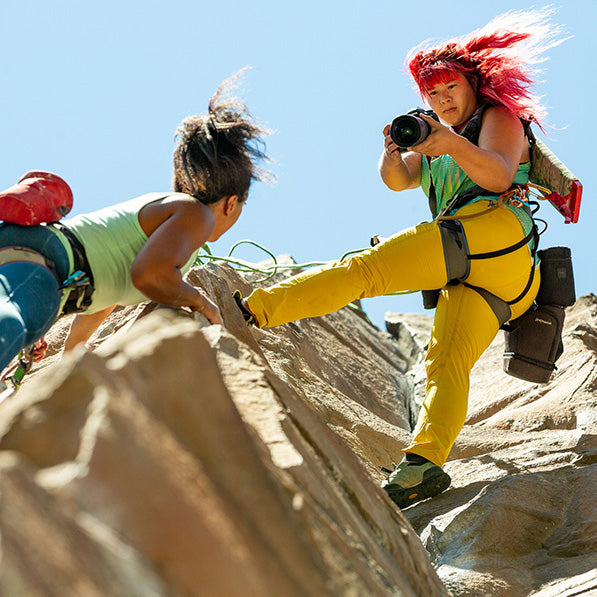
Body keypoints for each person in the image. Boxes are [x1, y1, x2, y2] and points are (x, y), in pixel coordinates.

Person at [234, 9, 563, 508]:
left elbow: (497, 175)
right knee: (445, 364)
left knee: (363, 271)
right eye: (430, 94)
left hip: (494, 237)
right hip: (491, 279)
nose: (440, 100)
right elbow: (398, 180)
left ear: (472, 83)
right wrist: (393, 151)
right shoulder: (436, 135)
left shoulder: (498, 117)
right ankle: (422, 468)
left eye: (448, 87)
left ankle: (251, 312)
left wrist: (449, 141)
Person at [0, 71, 271, 378]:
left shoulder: (173, 224)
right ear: (231, 203)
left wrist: (74, 348)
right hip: (43, 260)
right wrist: (202, 303)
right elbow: (148, 275)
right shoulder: (196, 216)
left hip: (41, 260)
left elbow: (109, 289)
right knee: (7, 325)